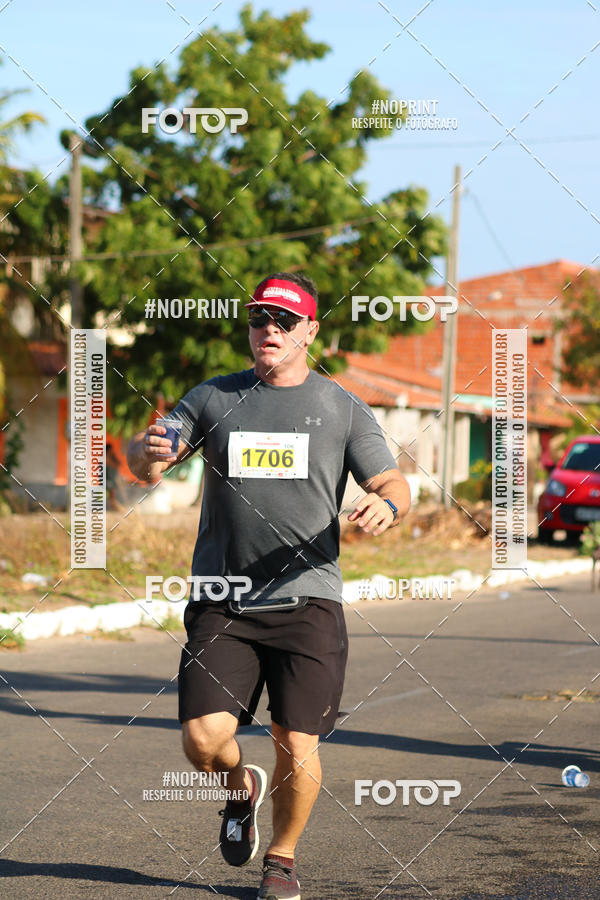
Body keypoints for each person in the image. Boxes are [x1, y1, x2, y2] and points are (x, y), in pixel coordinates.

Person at [127, 272, 410, 899]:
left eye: (284, 321)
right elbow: (150, 452)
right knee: (203, 741)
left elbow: (392, 482)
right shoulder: (213, 397)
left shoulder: (341, 407)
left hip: (308, 599)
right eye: (260, 319)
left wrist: (387, 507)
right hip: (223, 599)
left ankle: (280, 859)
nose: (270, 331)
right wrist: (148, 453)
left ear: (311, 330)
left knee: (296, 739)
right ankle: (240, 790)